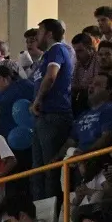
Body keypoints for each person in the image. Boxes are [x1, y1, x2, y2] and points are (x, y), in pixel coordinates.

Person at [30, 18, 76, 200]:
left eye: (39, 32)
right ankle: (41, 210)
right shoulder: (47, 55)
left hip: (54, 115)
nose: (36, 37)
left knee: (49, 169)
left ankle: (51, 210)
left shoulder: (57, 49)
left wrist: (38, 100)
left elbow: (51, 77)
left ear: (49, 33)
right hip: (43, 117)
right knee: (38, 169)